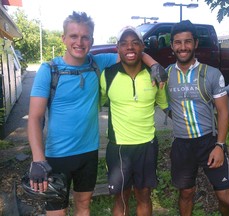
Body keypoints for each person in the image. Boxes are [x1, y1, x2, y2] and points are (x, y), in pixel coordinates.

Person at [27, 11, 166, 216]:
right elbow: (35, 118)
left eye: (85, 37)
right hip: (56, 155)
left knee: (84, 206)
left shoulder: (97, 64)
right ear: (63, 38)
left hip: (88, 153)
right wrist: (38, 159)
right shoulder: (49, 70)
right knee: (56, 211)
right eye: (74, 36)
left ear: (92, 40)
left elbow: (130, 52)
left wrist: (153, 64)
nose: (79, 42)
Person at [166, 20, 229, 215]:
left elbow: (223, 112)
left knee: (226, 198)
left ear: (195, 43)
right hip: (182, 144)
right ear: (172, 45)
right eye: (178, 42)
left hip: (209, 142)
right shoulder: (165, 75)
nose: (183, 47)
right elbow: (162, 103)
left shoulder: (211, 74)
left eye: (187, 41)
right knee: (186, 193)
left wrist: (219, 145)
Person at [100, 26, 168, 216]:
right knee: (121, 197)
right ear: (118, 48)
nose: (130, 48)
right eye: (124, 43)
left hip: (147, 145)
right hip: (119, 147)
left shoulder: (155, 76)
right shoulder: (108, 75)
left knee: (144, 196)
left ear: (142, 47)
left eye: (135, 43)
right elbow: (96, 103)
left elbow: (166, 106)